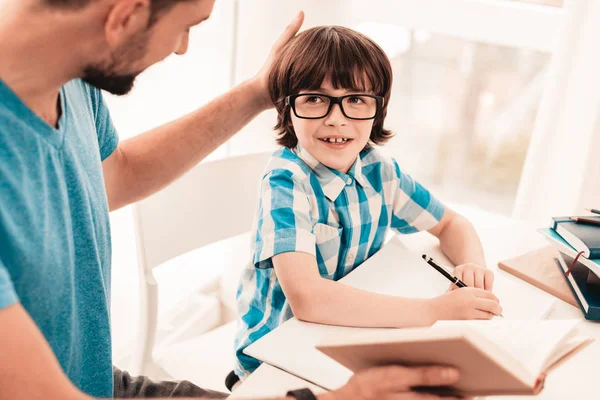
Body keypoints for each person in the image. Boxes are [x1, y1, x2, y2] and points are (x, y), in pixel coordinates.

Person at [0, 0, 471, 399]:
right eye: (187, 27)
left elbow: (117, 174)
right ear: (126, 15)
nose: (182, 48)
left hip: (99, 381)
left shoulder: (73, 82)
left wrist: (258, 91)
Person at [234, 26, 503, 380]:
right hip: (281, 356)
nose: (336, 118)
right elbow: (308, 299)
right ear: (287, 109)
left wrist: (472, 265)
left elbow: (452, 224)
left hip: (355, 332)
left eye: (356, 99)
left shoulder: (380, 171)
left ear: (379, 110)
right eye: (315, 98)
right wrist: (434, 310)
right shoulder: (285, 184)